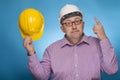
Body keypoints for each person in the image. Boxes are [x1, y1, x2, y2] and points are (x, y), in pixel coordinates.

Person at [23, 4, 118, 80]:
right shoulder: (51, 50)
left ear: (83, 24)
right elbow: (42, 77)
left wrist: (103, 37)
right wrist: (31, 53)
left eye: (77, 21)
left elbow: (112, 70)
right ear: (62, 29)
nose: (74, 26)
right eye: (68, 23)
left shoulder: (98, 44)